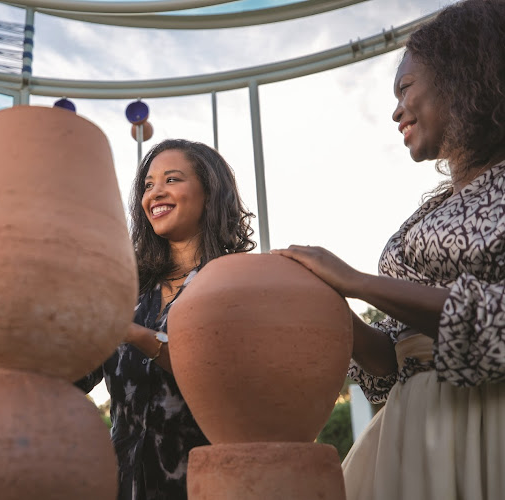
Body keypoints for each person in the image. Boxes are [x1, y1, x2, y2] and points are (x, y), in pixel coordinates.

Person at [272, 1, 505, 498]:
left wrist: (358, 281)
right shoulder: (424, 215)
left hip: (489, 426)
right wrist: (333, 307)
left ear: (462, 76)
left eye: (405, 88)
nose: (395, 109)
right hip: (412, 433)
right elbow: (393, 366)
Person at [78, 139, 255, 499]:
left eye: (171, 180)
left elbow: (229, 380)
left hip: (207, 487)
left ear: (210, 191)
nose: (155, 193)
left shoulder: (239, 283)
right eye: (148, 185)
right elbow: (73, 376)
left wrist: (138, 336)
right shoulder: (127, 292)